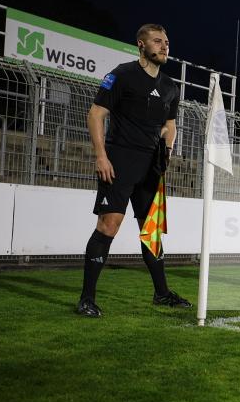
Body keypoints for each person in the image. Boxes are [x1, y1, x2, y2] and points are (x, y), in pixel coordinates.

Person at [77, 23, 191, 318]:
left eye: (166, 41)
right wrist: (101, 156)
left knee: (151, 232)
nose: (165, 46)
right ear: (141, 44)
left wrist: (166, 153)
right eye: (157, 41)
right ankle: (86, 299)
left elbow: (171, 125)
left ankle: (162, 294)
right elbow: (96, 114)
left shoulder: (170, 87)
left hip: (150, 167)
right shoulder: (122, 75)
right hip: (119, 161)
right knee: (109, 226)